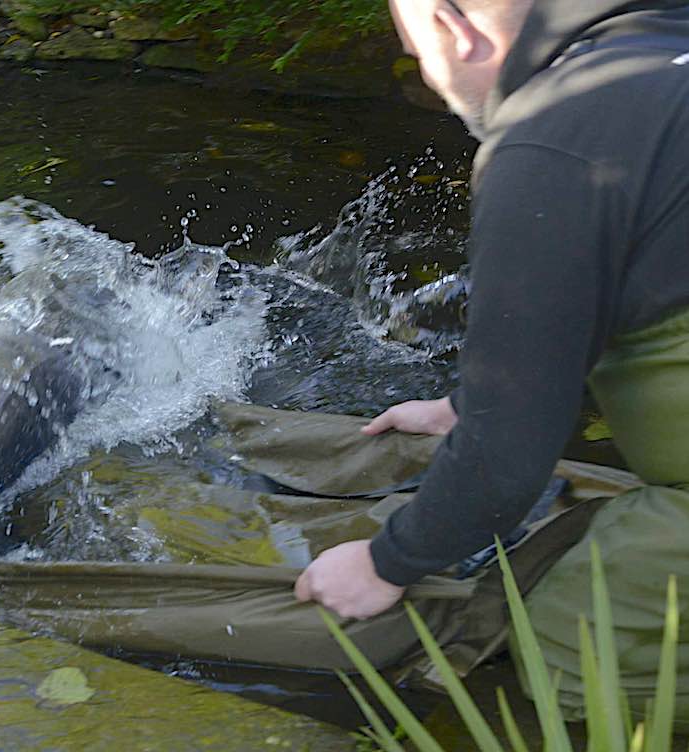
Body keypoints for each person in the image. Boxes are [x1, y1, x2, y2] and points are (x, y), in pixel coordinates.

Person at [294, 0, 689, 722]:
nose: (431, 79)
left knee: (573, 644)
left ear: (451, 27)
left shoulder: (553, 138)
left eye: (418, 56)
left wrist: (385, 564)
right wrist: (466, 404)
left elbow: (506, 461)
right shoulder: (665, 51)